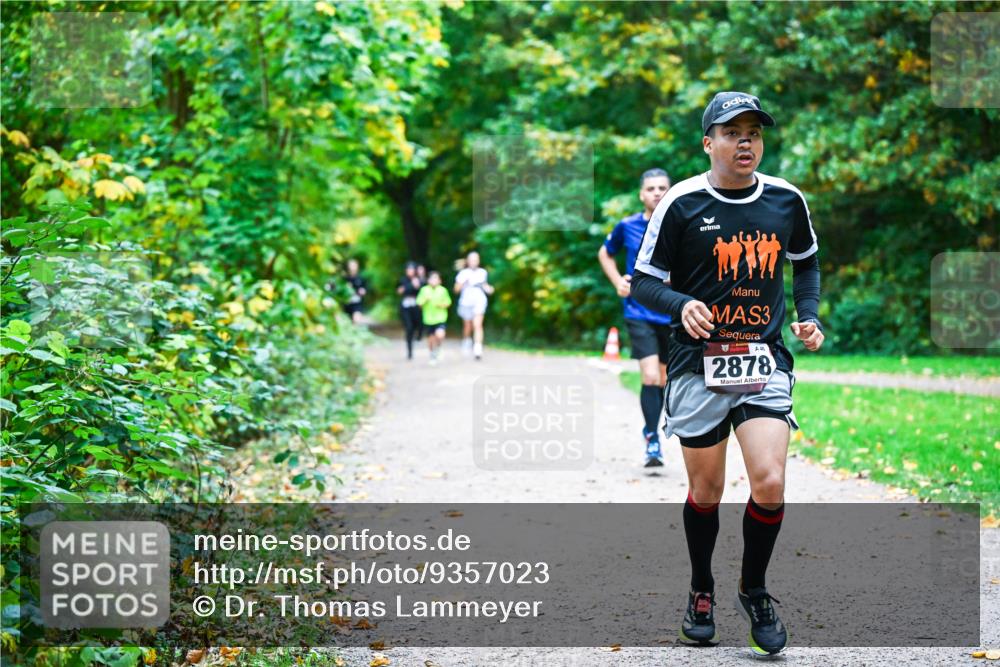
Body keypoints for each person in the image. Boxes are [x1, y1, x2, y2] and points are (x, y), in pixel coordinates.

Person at [630, 91, 824, 656]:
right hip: (697, 363)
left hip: (762, 360)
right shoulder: (682, 203)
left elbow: (805, 259)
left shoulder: (786, 200)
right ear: (708, 142)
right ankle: (701, 588)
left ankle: (755, 589)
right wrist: (679, 304)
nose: (746, 141)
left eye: (754, 132)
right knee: (706, 490)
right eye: (732, 131)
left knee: (769, 481)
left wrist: (807, 317)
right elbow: (644, 281)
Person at [597, 168, 673, 467]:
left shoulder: (681, 225)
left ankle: (651, 428)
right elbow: (605, 253)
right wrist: (617, 280)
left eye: (662, 188)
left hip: (671, 311)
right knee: (651, 376)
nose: (656, 192)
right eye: (651, 188)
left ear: (670, 192)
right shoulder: (626, 226)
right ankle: (652, 440)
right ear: (642, 194)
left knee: (665, 379)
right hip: (639, 310)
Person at [454, 251, 493, 360]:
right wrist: (463, 282)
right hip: (466, 302)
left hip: (479, 301)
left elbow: (485, 285)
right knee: (468, 326)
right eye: (472, 260)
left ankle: (477, 348)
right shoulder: (463, 273)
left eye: (476, 260)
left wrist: (489, 289)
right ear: (468, 261)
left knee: (478, 324)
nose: (474, 262)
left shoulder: (482, 272)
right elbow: (456, 289)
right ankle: (467, 340)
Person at [416, 270, 452, 365]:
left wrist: (441, 305)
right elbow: (419, 304)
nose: (434, 280)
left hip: (441, 318)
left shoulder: (443, 290)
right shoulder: (424, 290)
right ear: (428, 280)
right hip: (428, 319)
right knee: (431, 339)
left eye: (436, 278)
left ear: (439, 280)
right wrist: (425, 300)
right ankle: (432, 355)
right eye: (432, 278)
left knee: (440, 335)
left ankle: (439, 347)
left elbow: (448, 303)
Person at [397, 262, 423, 360]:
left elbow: (422, 290)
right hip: (406, 307)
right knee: (409, 328)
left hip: (416, 306)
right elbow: (399, 291)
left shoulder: (418, 279)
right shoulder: (403, 280)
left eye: (412, 269)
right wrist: (410, 285)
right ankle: (410, 351)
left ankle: (418, 337)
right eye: (408, 269)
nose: (410, 271)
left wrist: (417, 285)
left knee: (418, 325)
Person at [342, 258, 367, 325]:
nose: (353, 267)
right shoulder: (344, 278)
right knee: (347, 323)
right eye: (351, 265)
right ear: (348, 266)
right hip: (346, 303)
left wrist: (363, 291)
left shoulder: (361, 278)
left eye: (354, 265)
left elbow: (365, 288)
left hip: (357, 303)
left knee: (356, 320)